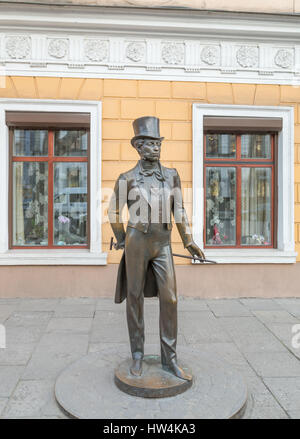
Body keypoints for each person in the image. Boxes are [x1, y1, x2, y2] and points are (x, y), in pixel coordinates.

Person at [108, 116, 205, 381]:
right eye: (150, 144)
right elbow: (114, 211)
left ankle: (169, 359)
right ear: (138, 147)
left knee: (170, 298)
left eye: (158, 143)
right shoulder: (126, 178)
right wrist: (120, 238)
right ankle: (137, 355)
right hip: (137, 242)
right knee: (135, 296)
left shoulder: (171, 175)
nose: (156, 148)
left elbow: (180, 210)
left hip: (163, 243)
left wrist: (189, 240)